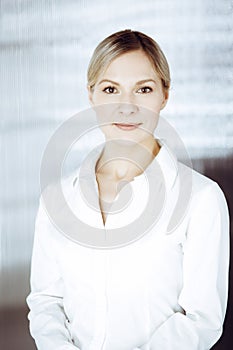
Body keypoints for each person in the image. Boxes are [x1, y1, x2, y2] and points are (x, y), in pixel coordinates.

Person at [26, 29, 229, 350]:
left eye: (143, 89)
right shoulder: (57, 198)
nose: (127, 106)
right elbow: (46, 300)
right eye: (110, 89)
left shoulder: (201, 199)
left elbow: (201, 318)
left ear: (165, 95)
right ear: (91, 94)